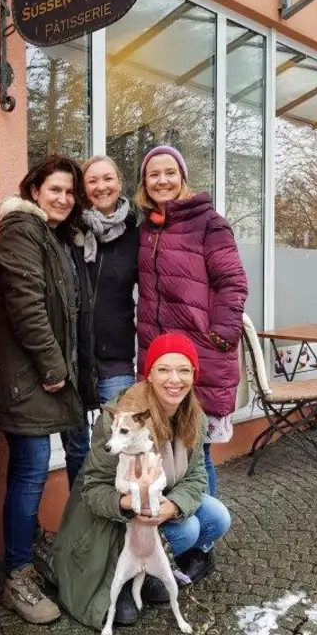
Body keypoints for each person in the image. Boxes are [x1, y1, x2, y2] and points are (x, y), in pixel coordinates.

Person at [51, 332, 232, 630]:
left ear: (194, 376)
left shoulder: (194, 417)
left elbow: (197, 476)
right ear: (149, 374)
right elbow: (93, 490)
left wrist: (172, 506)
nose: (175, 379)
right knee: (188, 529)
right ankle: (122, 578)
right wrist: (129, 505)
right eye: (164, 369)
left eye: (184, 370)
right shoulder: (121, 417)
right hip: (111, 519)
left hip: (158, 500)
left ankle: (148, 573)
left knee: (216, 518)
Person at [0, 155, 92, 625]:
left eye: (70, 192)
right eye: (55, 189)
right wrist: (54, 367)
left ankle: (28, 554)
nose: (63, 198)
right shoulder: (21, 228)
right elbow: (25, 304)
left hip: (40, 376)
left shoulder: (50, 237)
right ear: (34, 190)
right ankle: (16, 575)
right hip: (27, 377)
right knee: (31, 470)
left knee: (30, 471)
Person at [134, 145, 248, 514]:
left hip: (200, 356)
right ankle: (179, 527)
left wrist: (220, 336)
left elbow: (233, 282)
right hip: (158, 360)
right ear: (145, 183)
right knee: (167, 448)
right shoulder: (146, 230)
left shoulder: (209, 224)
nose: (162, 180)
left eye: (170, 172)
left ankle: (204, 536)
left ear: (183, 178)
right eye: (154, 174)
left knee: (197, 450)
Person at [61, 156, 140, 486]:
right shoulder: (69, 230)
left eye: (107, 179)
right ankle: (79, 526)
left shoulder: (138, 232)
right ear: (84, 188)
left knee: (116, 446)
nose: (101, 186)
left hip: (116, 357)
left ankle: (112, 526)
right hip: (71, 357)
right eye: (92, 181)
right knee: (77, 449)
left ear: (119, 183)